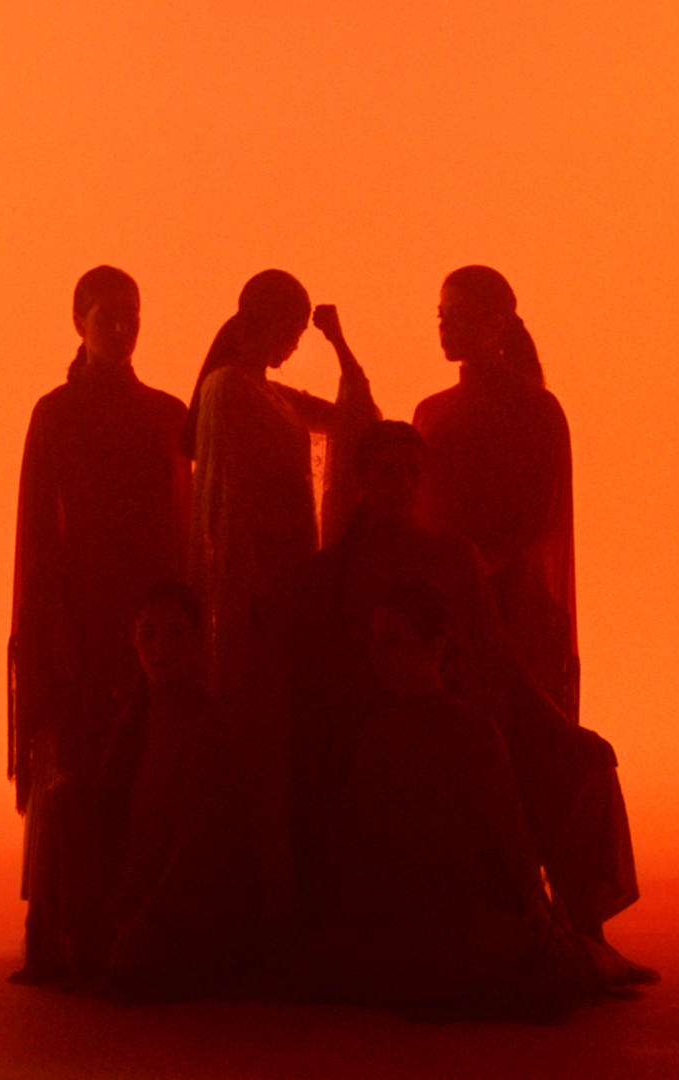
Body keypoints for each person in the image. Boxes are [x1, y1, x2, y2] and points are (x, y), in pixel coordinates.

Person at [286, 421, 647, 974]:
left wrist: (559, 726)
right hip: (383, 736)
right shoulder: (332, 571)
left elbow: (498, 652)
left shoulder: (451, 554)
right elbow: (323, 680)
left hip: (465, 723)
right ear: (362, 478)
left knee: (583, 760)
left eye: (413, 473)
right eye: (389, 472)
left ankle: (586, 931)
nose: (403, 485)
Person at [293, 584, 609, 1022]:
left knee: (549, 963)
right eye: (375, 641)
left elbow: (513, 844)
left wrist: (538, 917)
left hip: (464, 925)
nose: (379, 655)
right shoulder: (375, 735)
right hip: (403, 930)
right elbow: (352, 852)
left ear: (436, 647)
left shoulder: (472, 730)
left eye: (393, 639)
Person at [8, 266, 192, 985]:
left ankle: (134, 925)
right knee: (82, 766)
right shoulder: (55, 414)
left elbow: (185, 527)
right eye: (107, 314)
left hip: (154, 622)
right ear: (78, 321)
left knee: (147, 772)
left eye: (131, 315)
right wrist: (51, 626)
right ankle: (71, 929)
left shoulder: (168, 414)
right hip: (82, 618)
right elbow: (38, 534)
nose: (121, 328)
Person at [183, 269, 380, 704]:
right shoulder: (228, 387)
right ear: (279, 326)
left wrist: (339, 343)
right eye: (297, 333)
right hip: (254, 586)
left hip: (288, 576)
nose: (295, 346)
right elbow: (226, 499)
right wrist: (244, 589)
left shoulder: (273, 393)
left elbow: (357, 422)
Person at [91, 581, 273, 1001]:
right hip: (137, 895)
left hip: (189, 906)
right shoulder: (134, 719)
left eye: (175, 634)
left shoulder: (210, 727)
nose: (161, 650)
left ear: (197, 641)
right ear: (134, 642)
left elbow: (199, 849)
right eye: (148, 635)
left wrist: (146, 920)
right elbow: (107, 812)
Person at [413, 265, 580, 722]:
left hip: (512, 609)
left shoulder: (538, 410)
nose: (446, 326)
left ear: (498, 322)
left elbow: (540, 516)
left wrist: (481, 573)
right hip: (440, 611)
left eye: (459, 314)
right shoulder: (428, 412)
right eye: (442, 315)